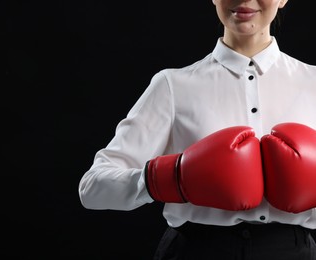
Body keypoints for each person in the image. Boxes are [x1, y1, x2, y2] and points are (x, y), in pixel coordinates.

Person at [78, 0, 316, 259]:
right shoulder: (173, 85)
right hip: (196, 250)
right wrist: (173, 179)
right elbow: (92, 188)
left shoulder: (312, 83)